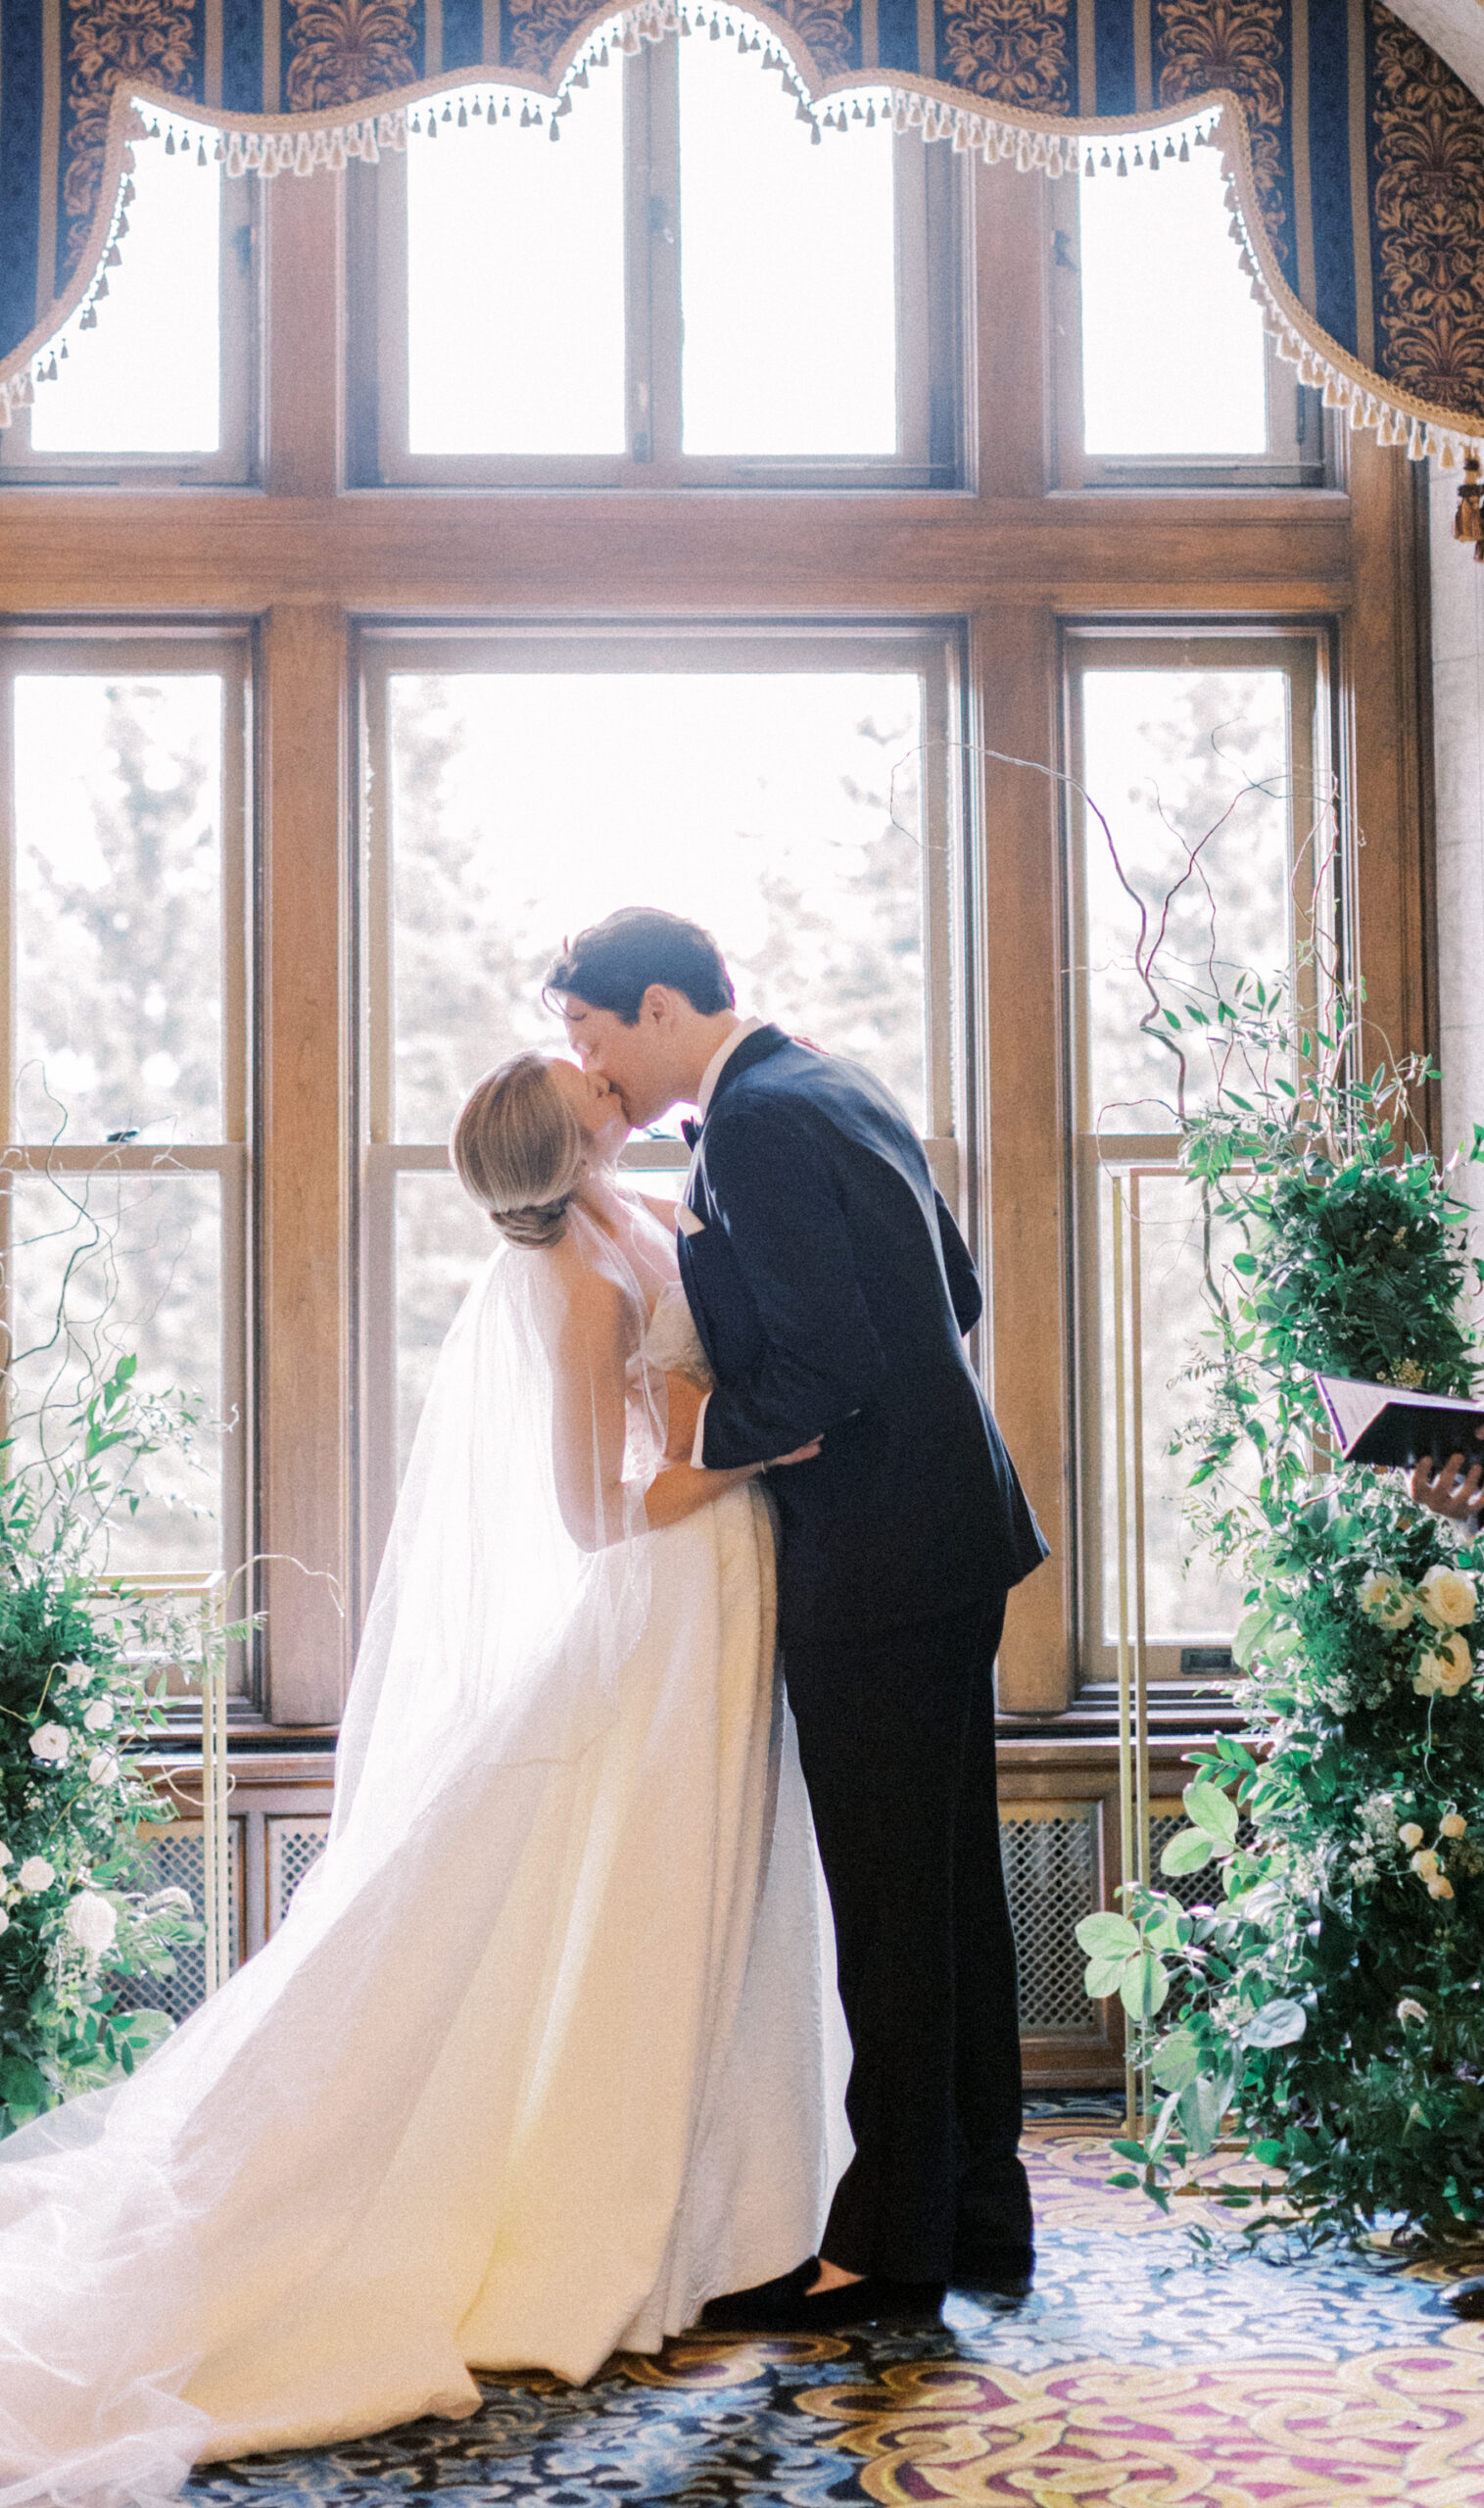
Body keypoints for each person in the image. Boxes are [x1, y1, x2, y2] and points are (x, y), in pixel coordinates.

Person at [0, 1050, 835, 2506]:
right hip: (660, 1602)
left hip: (715, 1599)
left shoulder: (630, 1216)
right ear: (580, 1131)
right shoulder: (573, 1284)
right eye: (587, 1077)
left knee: (659, 1901)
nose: (608, 1073)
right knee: (611, 1903)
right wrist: (755, 1453)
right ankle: (573, 2218)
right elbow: (594, 1514)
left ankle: (695, 2203)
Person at [549, 907, 1049, 2339]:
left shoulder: (754, 1125)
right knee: (947, 1897)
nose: (592, 1068)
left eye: (591, 1035)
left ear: (655, 1006)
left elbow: (829, 1359)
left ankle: (888, 2250)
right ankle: (977, 2218)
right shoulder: (832, 1078)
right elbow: (953, 1291)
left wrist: (729, 1439)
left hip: (880, 1557)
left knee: (894, 1910)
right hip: (949, 1530)